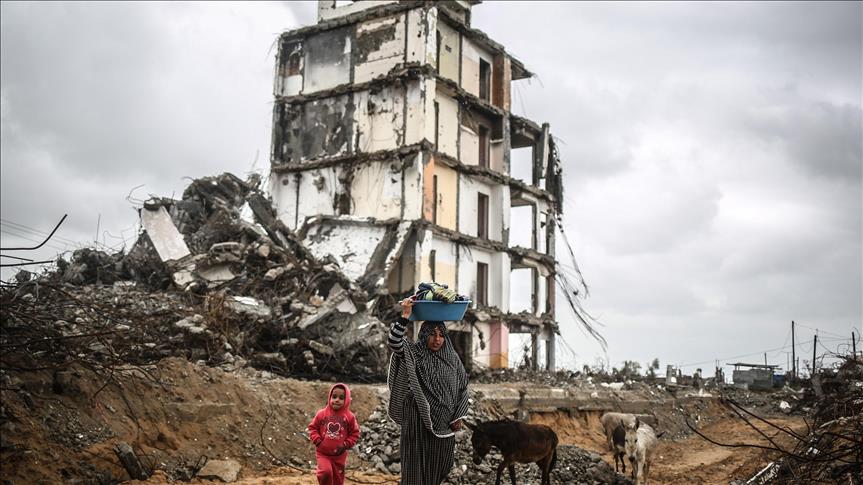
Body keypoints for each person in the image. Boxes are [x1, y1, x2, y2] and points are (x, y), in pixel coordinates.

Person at [387, 297, 470, 485]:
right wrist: (406, 315)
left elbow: (463, 387)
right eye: (432, 334)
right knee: (415, 469)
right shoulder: (414, 353)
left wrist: (459, 414)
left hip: (445, 425)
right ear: (424, 335)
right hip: (417, 421)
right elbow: (394, 341)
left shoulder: (452, 359)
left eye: (441, 334)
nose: (437, 339)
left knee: (442, 466)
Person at [307, 383, 360, 485]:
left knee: (337, 480)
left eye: (341, 398)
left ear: (347, 400)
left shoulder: (350, 417)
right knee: (325, 473)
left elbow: (354, 434)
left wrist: (345, 444)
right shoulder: (321, 414)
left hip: (339, 456)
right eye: (334, 397)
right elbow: (312, 428)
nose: (337, 400)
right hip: (323, 453)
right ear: (329, 397)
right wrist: (318, 441)